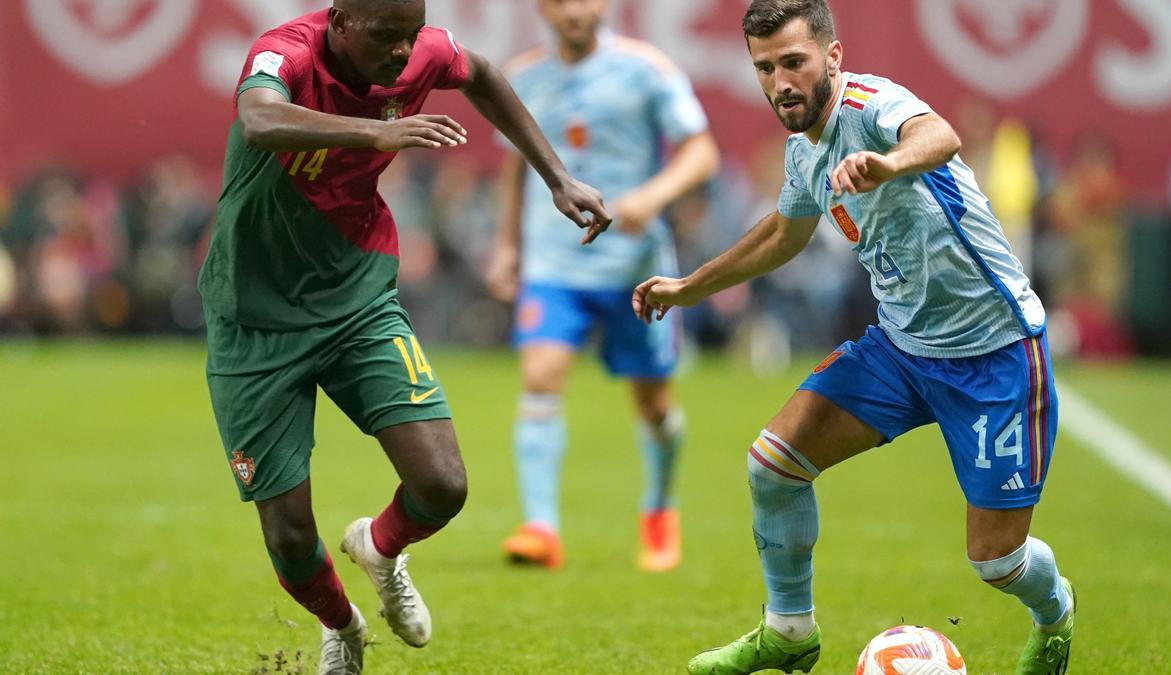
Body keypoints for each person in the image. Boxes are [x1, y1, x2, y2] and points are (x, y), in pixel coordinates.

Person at [632, 1, 1074, 673]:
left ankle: (1055, 614)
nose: (780, 82)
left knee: (997, 560)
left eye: (793, 62)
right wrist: (690, 286)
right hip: (900, 351)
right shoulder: (804, 153)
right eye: (764, 68)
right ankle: (788, 632)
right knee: (773, 464)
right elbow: (783, 236)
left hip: (995, 352)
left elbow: (940, 136)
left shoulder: (871, 106)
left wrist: (889, 165)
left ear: (832, 57)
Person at [197, 1, 610, 672]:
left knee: (443, 484)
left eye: (412, 34)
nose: (403, 50)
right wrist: (376, 133)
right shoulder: (287, 53)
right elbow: (260, 119)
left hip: (355, 300)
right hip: (254, 319)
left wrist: (557, 177)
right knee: (291, 535)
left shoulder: (424, 52)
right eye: (388, 35)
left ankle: (380, 547)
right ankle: (343, 626)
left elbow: (483, 75)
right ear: (341, 23)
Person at [485, 0, 719, 571]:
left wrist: (653, 196)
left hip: (634, 269)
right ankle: (541, 527)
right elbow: (514, 168)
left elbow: (702, 153)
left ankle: (659, 510)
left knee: (653, 403)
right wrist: (507, 245)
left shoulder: (648, 69)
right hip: (553, 265)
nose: (573, 10)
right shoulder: (520, 78)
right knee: (540, 377)